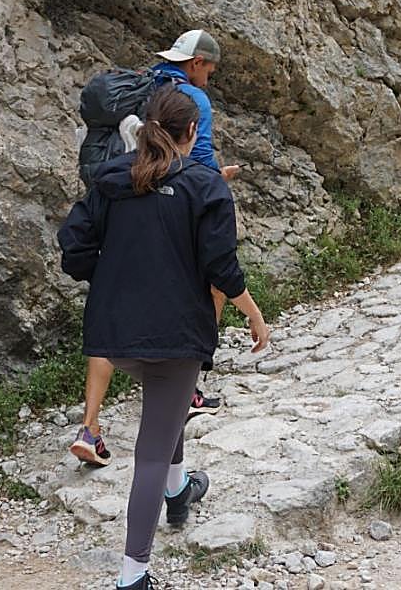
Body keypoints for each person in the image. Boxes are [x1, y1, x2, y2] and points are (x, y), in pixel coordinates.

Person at [58, 86, 271, 590]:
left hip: (114, 332)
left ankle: (179, 492)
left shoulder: (111, 178)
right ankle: (133, 575)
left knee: (166, 405)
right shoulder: (206, 186)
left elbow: (74, 248)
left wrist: (111, 278)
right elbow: (221, 267)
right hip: (176, 335)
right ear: (192, 132)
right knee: (151, 451)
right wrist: (254, 314)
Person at [70, 29, 238, 468]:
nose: (209, 77)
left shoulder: (143, 86)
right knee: (208, 288)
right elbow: (197, 159)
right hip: (169, 208)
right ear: (197, 63)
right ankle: (187, 385)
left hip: (117, 196)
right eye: (210, 69)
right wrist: (217, 182)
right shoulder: (190, 101)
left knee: (110, 311)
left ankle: (90, 427)